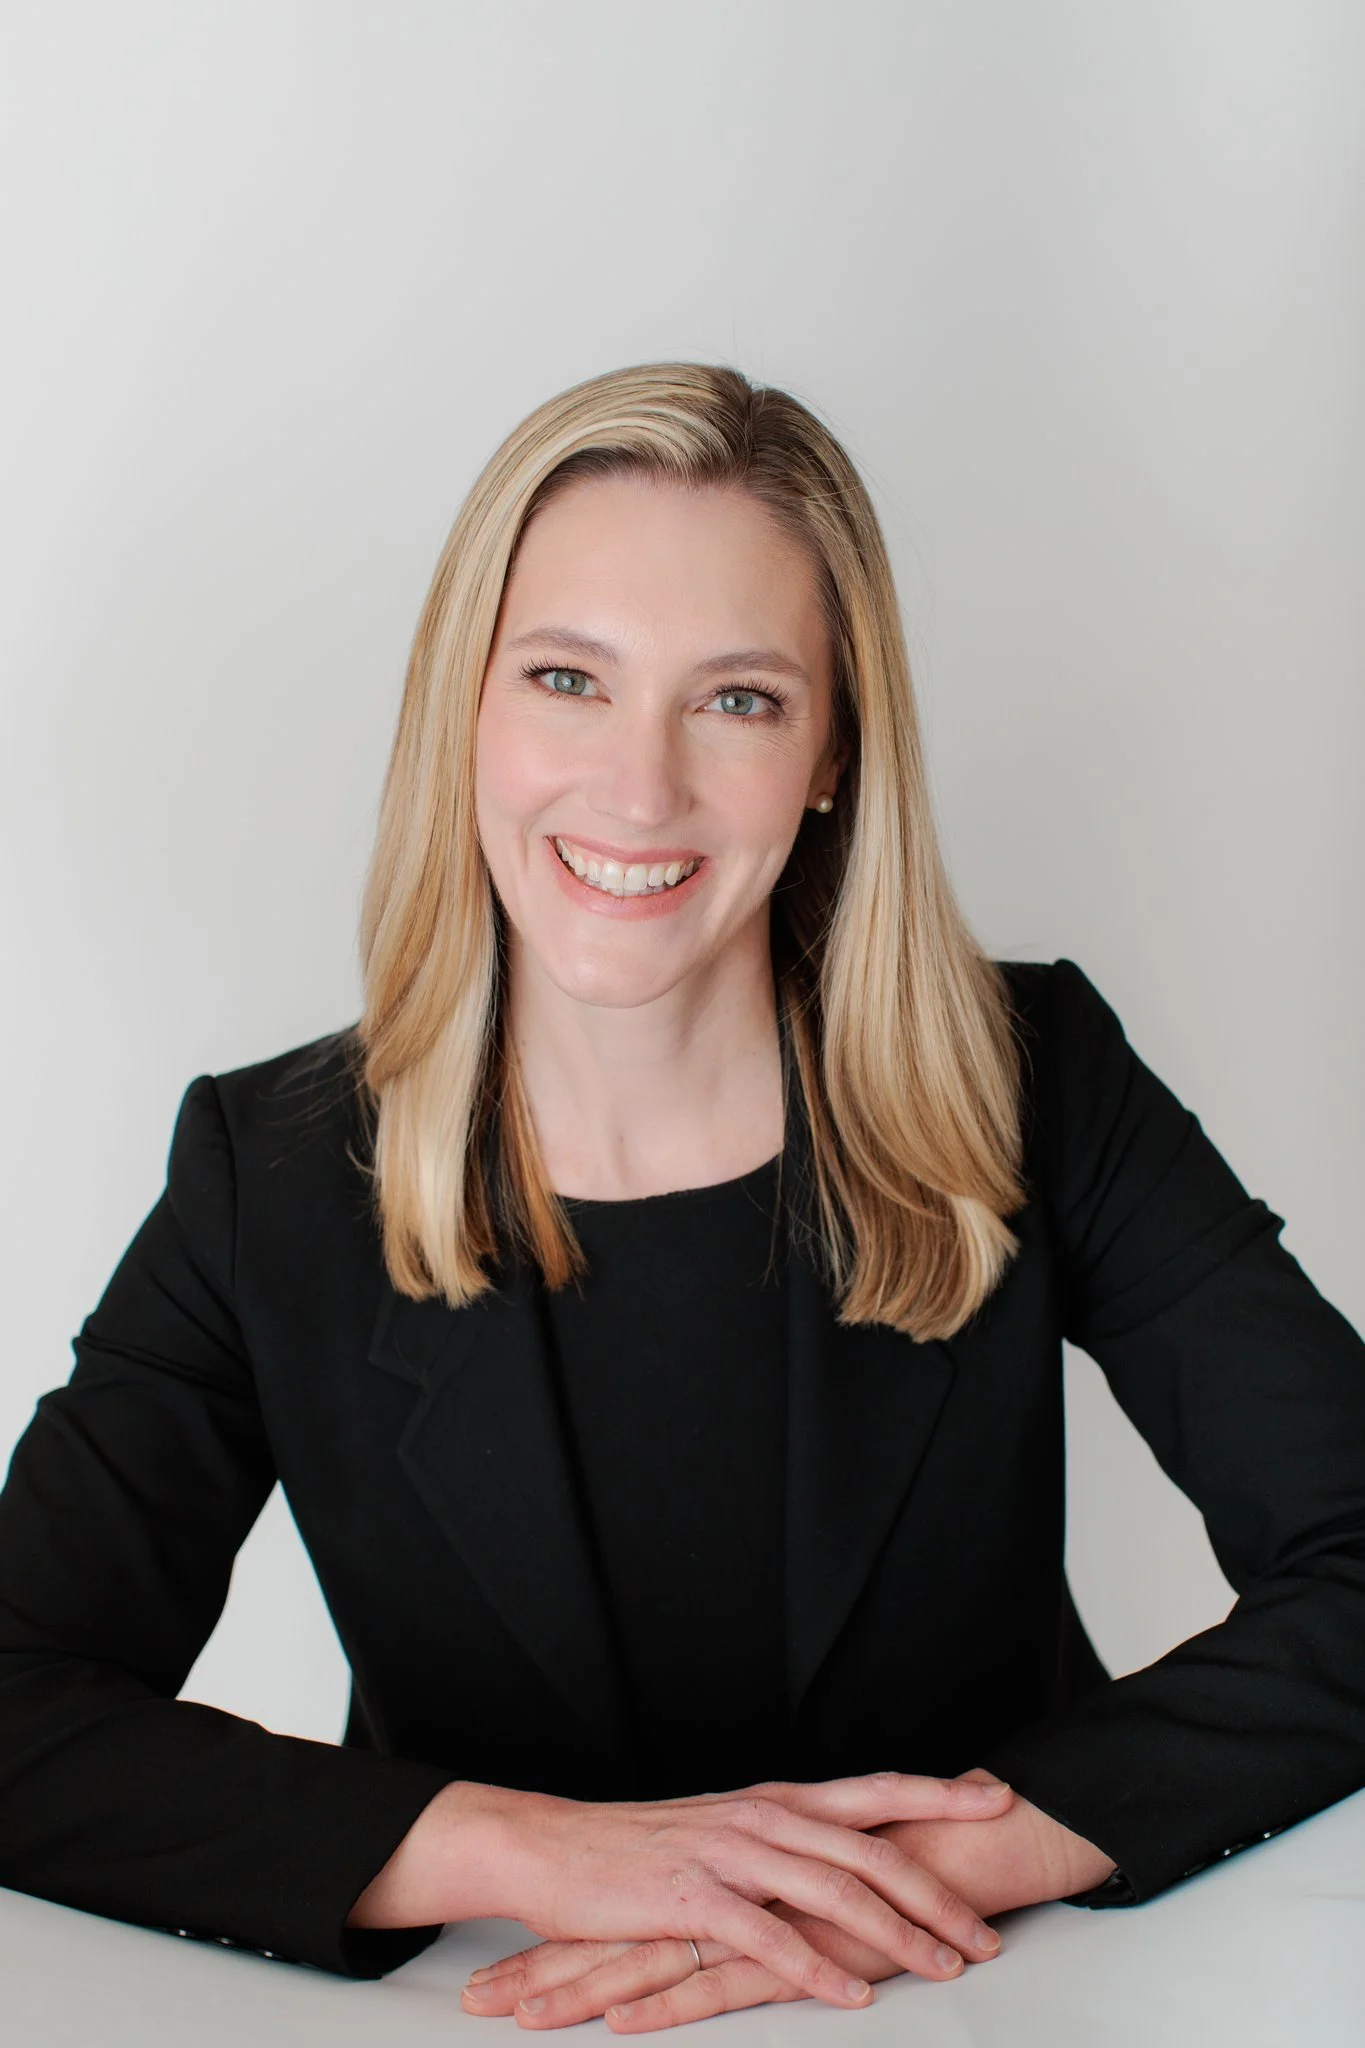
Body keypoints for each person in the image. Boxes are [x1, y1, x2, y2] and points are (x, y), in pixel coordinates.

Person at [1, 363, 1363, 2036]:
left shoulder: (1038, 1075)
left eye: (738, 700)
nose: (639, 792)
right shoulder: (263, 1175)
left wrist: (947, 1863)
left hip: (996, 2002)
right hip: (480, 2019)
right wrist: (525, 1851)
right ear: (467, 711)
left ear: (832, 754)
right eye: (570, 678)